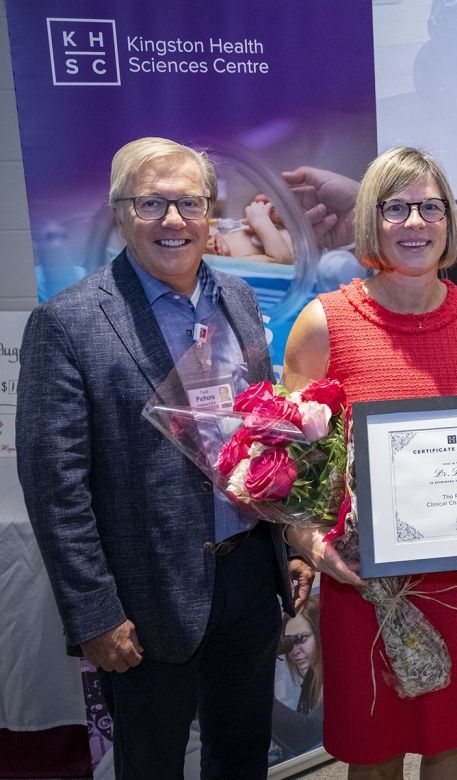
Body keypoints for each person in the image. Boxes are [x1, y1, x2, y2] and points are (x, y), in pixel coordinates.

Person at [15, 136, 311, 778]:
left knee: (241, 760)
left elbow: (263, 435)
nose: (173, 222)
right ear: (121, 212)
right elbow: (54, 484)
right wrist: (95, 612)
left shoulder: (236, 298)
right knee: (150, 767)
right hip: (142, 603)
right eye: (152, 203)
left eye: (189, 204)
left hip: (249, 586)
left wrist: (287, 545)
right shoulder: (68, 323)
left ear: (211, 213)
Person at [280, 146, 457, 779]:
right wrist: (309, 542)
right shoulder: (322, 325)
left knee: (454, 743)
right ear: (371, 220)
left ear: (449, 221)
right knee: (375, 751)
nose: (415, 223)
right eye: (396, 208)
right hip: (363, 582)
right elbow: (290, 475)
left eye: (430, 207)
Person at [271, 595, 324, 758]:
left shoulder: (339, 678)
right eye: (290, 643)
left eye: (301, 639)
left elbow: (310, 736)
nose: (294, 651)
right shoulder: (311, 681)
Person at [206, 194, 293, 264]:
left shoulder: (230, 235)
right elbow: (281, 259)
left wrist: (275, 219)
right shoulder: (235, 262)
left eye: (195, 239)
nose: (207, 245)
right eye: (202, 257)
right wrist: (261, 221)